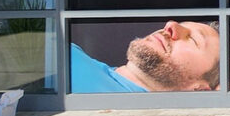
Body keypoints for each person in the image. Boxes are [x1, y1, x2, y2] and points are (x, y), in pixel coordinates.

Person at [71, 21, 220, 93]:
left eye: (193, 40)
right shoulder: (67, 54)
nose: (171, 25)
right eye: (180, 24)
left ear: (200, 88)